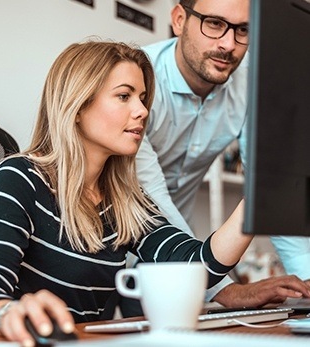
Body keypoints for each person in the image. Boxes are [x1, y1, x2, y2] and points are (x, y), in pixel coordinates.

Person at [0, 39, 256, 346]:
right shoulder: (20, 177)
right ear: (78, 105)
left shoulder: (124, 202)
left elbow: (195, 265)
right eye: (124, 96)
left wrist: (260, 196)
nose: (141, 111)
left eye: (142, 98)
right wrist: (8, 313)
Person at [130, 0, 310, 310]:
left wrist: (306, 282)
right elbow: (150, 196)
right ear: (179, 19)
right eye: (214, 23)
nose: (228, 44)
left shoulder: (251, 81)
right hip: (111, 240)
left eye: (243, 30)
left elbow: (269, 184)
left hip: (179, 251)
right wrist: (222, 288)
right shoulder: (139, 80)